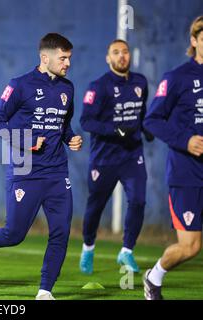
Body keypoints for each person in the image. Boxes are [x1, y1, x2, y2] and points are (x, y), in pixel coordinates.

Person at [0, 33, 82, 300]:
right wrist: (28, 140)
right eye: (63, 58)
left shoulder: (68, 88)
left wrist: (71, 138)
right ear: (45, 58)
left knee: (61, 232)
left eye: (69, 58)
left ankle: (44, 291)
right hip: (25, 172)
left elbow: (63, 124)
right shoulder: (20, 85)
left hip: (57, 173)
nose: (67, 63)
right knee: (15, 233)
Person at [79, 39, 152, 274]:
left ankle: (126, 251)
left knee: (138, 200)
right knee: (96, 206)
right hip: (104, 158)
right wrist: (114, 129)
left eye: (125, 52)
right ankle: (88, 247)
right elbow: (85, 121)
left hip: (132, 155)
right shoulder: (98, 86)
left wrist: (148, 128)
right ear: (108, 58)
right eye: (116, 53)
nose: (122, 56)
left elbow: (142, 114)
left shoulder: (140, 82)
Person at [143, 15, 203, 300]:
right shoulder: (177, 78)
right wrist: (186, 140)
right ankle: (154, 277)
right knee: (190, 247)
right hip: (187, 174)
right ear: (194, 41)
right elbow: (152, 120)